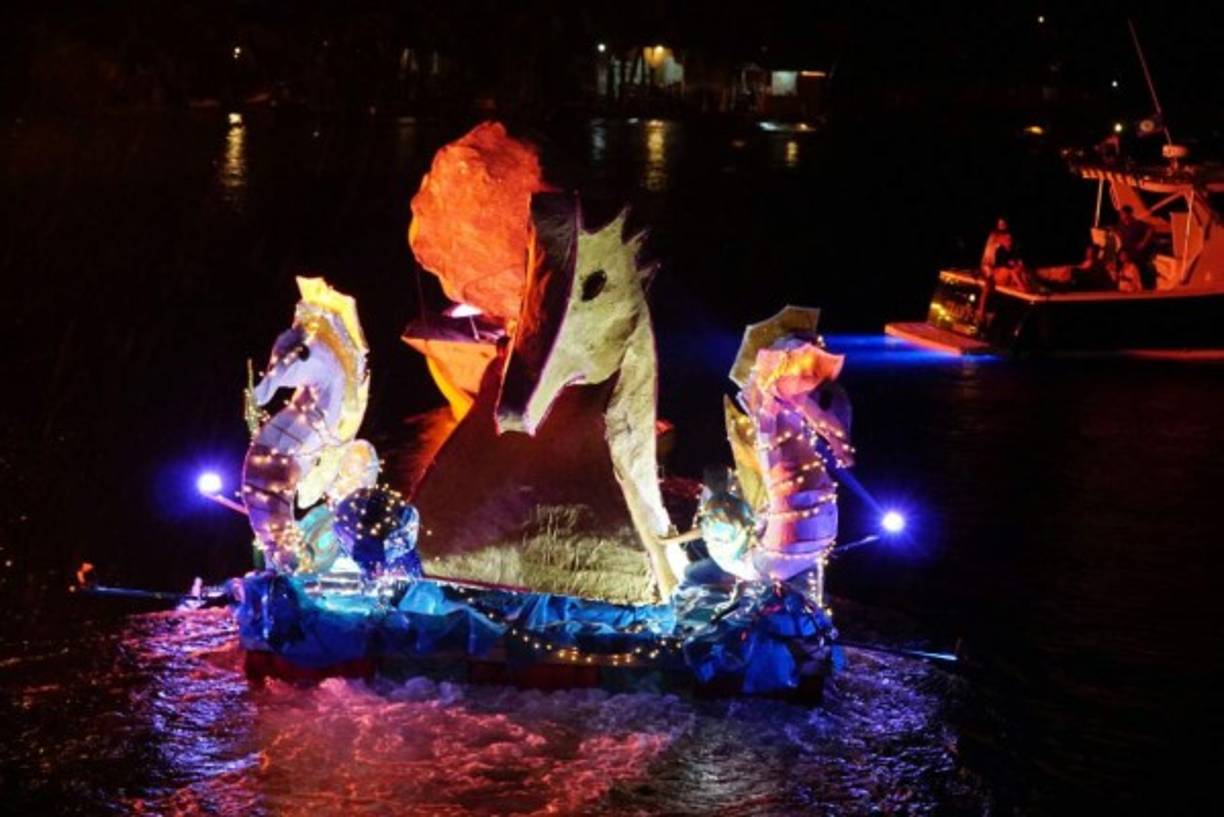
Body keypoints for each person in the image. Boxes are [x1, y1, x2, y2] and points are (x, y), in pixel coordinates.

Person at [1116, 205, 1155, 289]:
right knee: (1122, 268)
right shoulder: (1121, 225)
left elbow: (1151, 228)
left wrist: (1143, 242)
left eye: (1123, 214)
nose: (1121, 216)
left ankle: (1143, 288)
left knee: (1139, 270)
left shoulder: (1137, 224)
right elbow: (1118, 233)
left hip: (1135, 253)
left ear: (1129, 214)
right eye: (1120, 214)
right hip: (1126, 252)